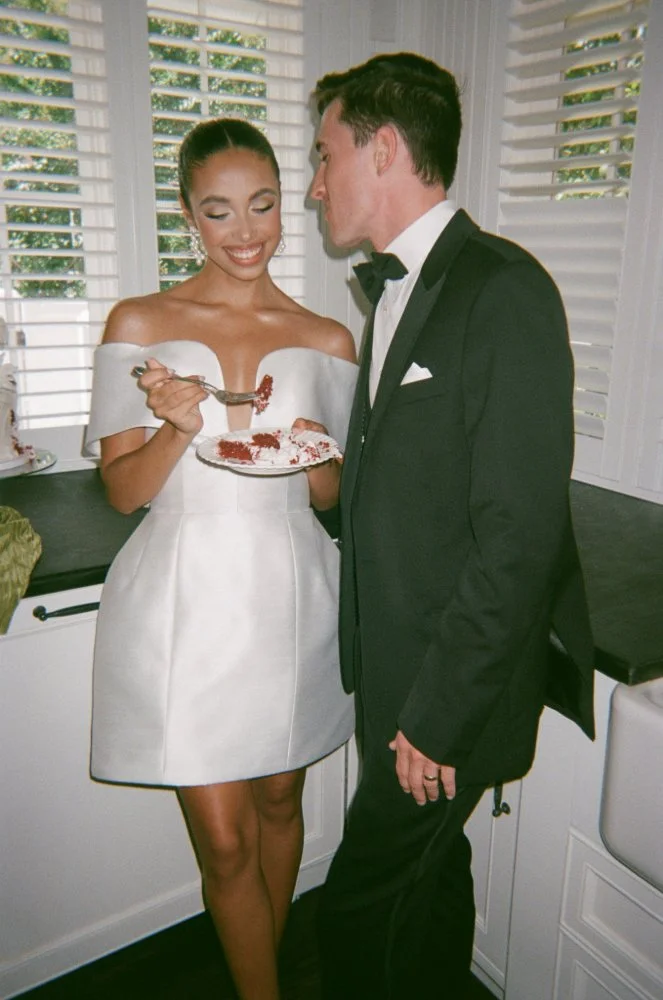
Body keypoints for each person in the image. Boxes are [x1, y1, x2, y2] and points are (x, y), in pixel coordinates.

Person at [309, 53, 596, 999]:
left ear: (382, 149)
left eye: (324, 157)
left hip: (448, 692)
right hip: (397, 670)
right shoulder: (393, 290)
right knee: (426, 889)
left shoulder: (502, 291)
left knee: (356, 911)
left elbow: (518, 537)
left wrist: (434, 721)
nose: (314, 186)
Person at [85, 117, 358, 1000]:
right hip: (184, 604)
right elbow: (124, 493)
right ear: (188, 217)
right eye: (220, 211)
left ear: (285, 202)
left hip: (291, 596)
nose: (247, 232)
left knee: (281, 806)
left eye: (263, 205)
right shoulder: (141, 322)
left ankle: (261, 968)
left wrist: (321, 459)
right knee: (227, 839)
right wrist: (179, 426)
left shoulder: (327, 338)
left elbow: (331, 499)